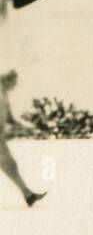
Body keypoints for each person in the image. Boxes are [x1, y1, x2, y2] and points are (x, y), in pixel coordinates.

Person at [0, 69, 45, 207]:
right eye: (14, 82)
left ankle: (28, 195)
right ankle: (28, 195)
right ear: (7, 79)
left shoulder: (4, 93)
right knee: (9, 164)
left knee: (10, 165)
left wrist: (19, 124)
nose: (16, 85)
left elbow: (8, 115)